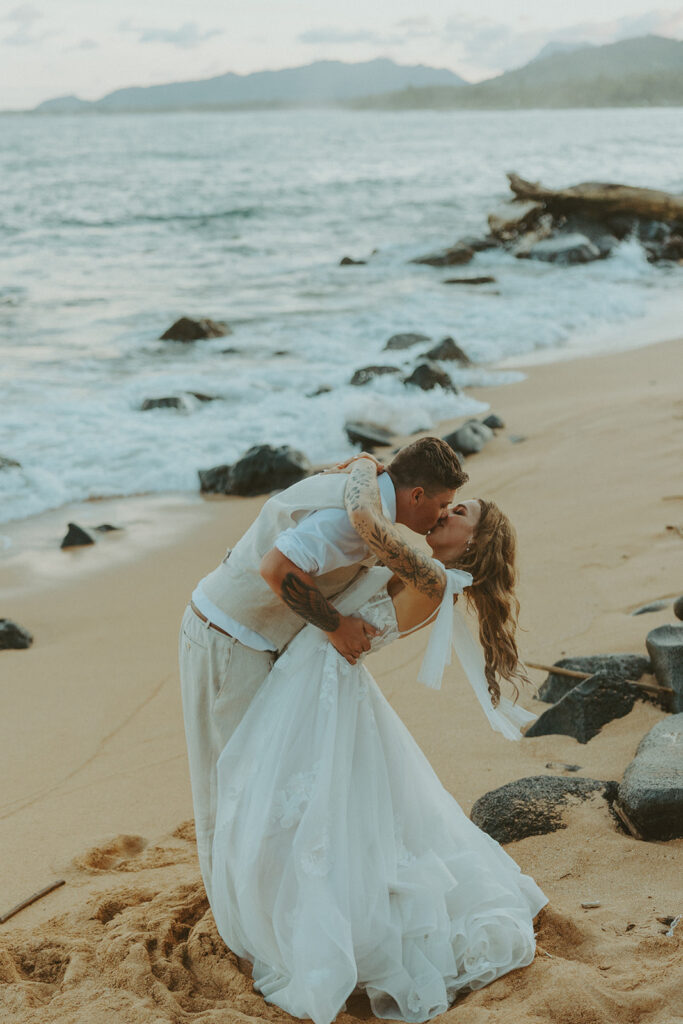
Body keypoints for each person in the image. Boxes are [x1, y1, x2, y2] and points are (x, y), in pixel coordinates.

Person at [207, 455, 548, 1024]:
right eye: (446, 502)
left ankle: (328, 926)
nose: (446, 510)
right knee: (324, 806)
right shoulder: (424, 567)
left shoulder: (432, 577)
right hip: (317, 673)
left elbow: (370, 522)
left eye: (460, 511)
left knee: (315, 806)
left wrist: (366, 468)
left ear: (477, 540)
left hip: (324, 679)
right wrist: (368, 466)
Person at [179, 438, 467, 905]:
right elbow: (276, 568)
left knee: (255, 786)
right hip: (227, 639)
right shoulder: (350, 523)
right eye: (442, 504)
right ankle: (238, 918)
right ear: (416, 496)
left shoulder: (367, 492)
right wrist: (335, 625)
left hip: (260, 644)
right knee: (228, 788)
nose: (441, 515)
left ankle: (257, 905)